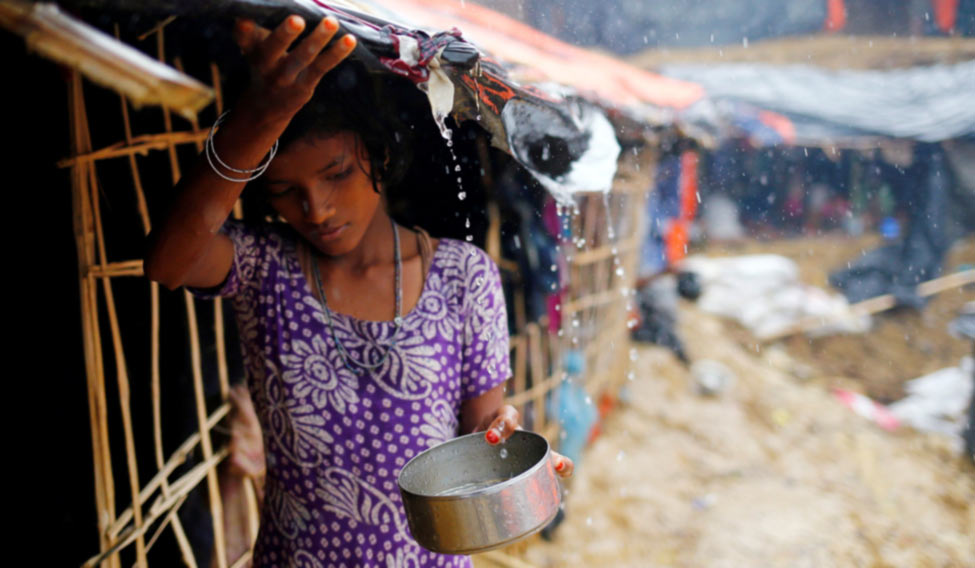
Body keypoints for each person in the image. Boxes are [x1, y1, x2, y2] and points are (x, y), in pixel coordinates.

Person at [145, 14, 573, 568]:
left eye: (337, 173)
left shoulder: (464, 277)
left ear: (381, 156)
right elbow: (166, 262)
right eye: (284, 190)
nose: (316, 209)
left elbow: (479, 430)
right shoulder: (263, 266)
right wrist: (261, 117)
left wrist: (505, 445)